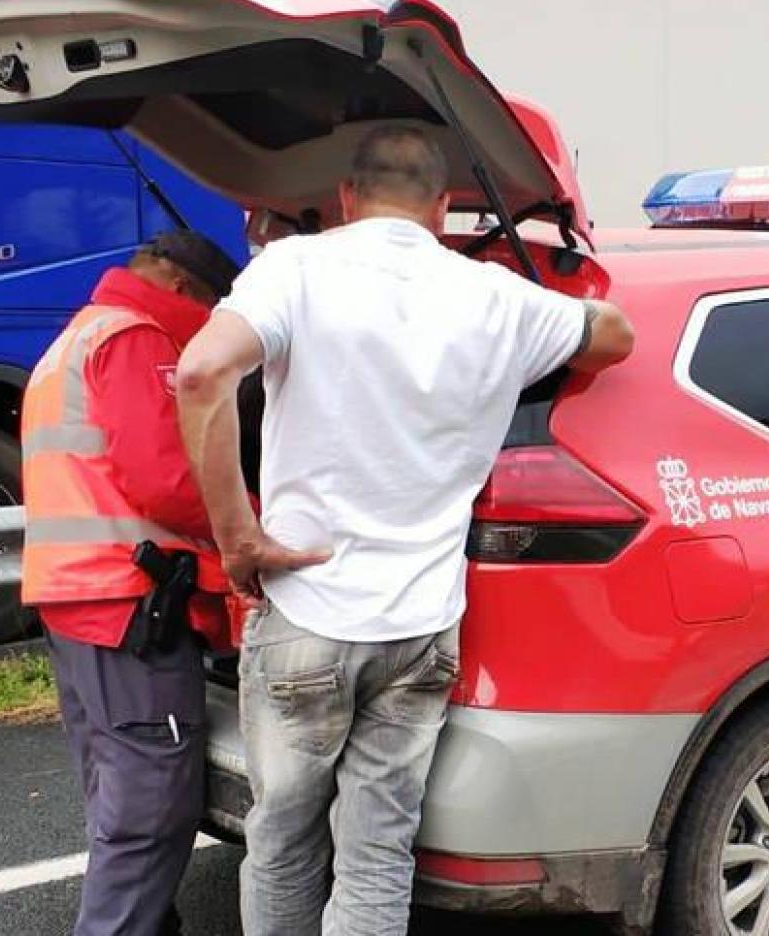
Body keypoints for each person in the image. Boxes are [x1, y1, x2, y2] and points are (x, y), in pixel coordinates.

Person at [175, 126, 635, 934]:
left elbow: (204, 373)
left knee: (282, 841)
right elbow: (615, 337)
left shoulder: (295, 269)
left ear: (348, 199)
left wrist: (237, 538)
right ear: (442, 207)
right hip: (422, 627)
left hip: (307, 610)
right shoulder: (497, 299)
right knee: (379, 852)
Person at [20, 229, 242, 936]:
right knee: (151, 804)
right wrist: (253, 528)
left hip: (75, 599)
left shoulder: (75, 339)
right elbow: (168, 482)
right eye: (211, 312)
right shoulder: (138, 338)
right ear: (184, 290)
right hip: (128, 606)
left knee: (117, 792)